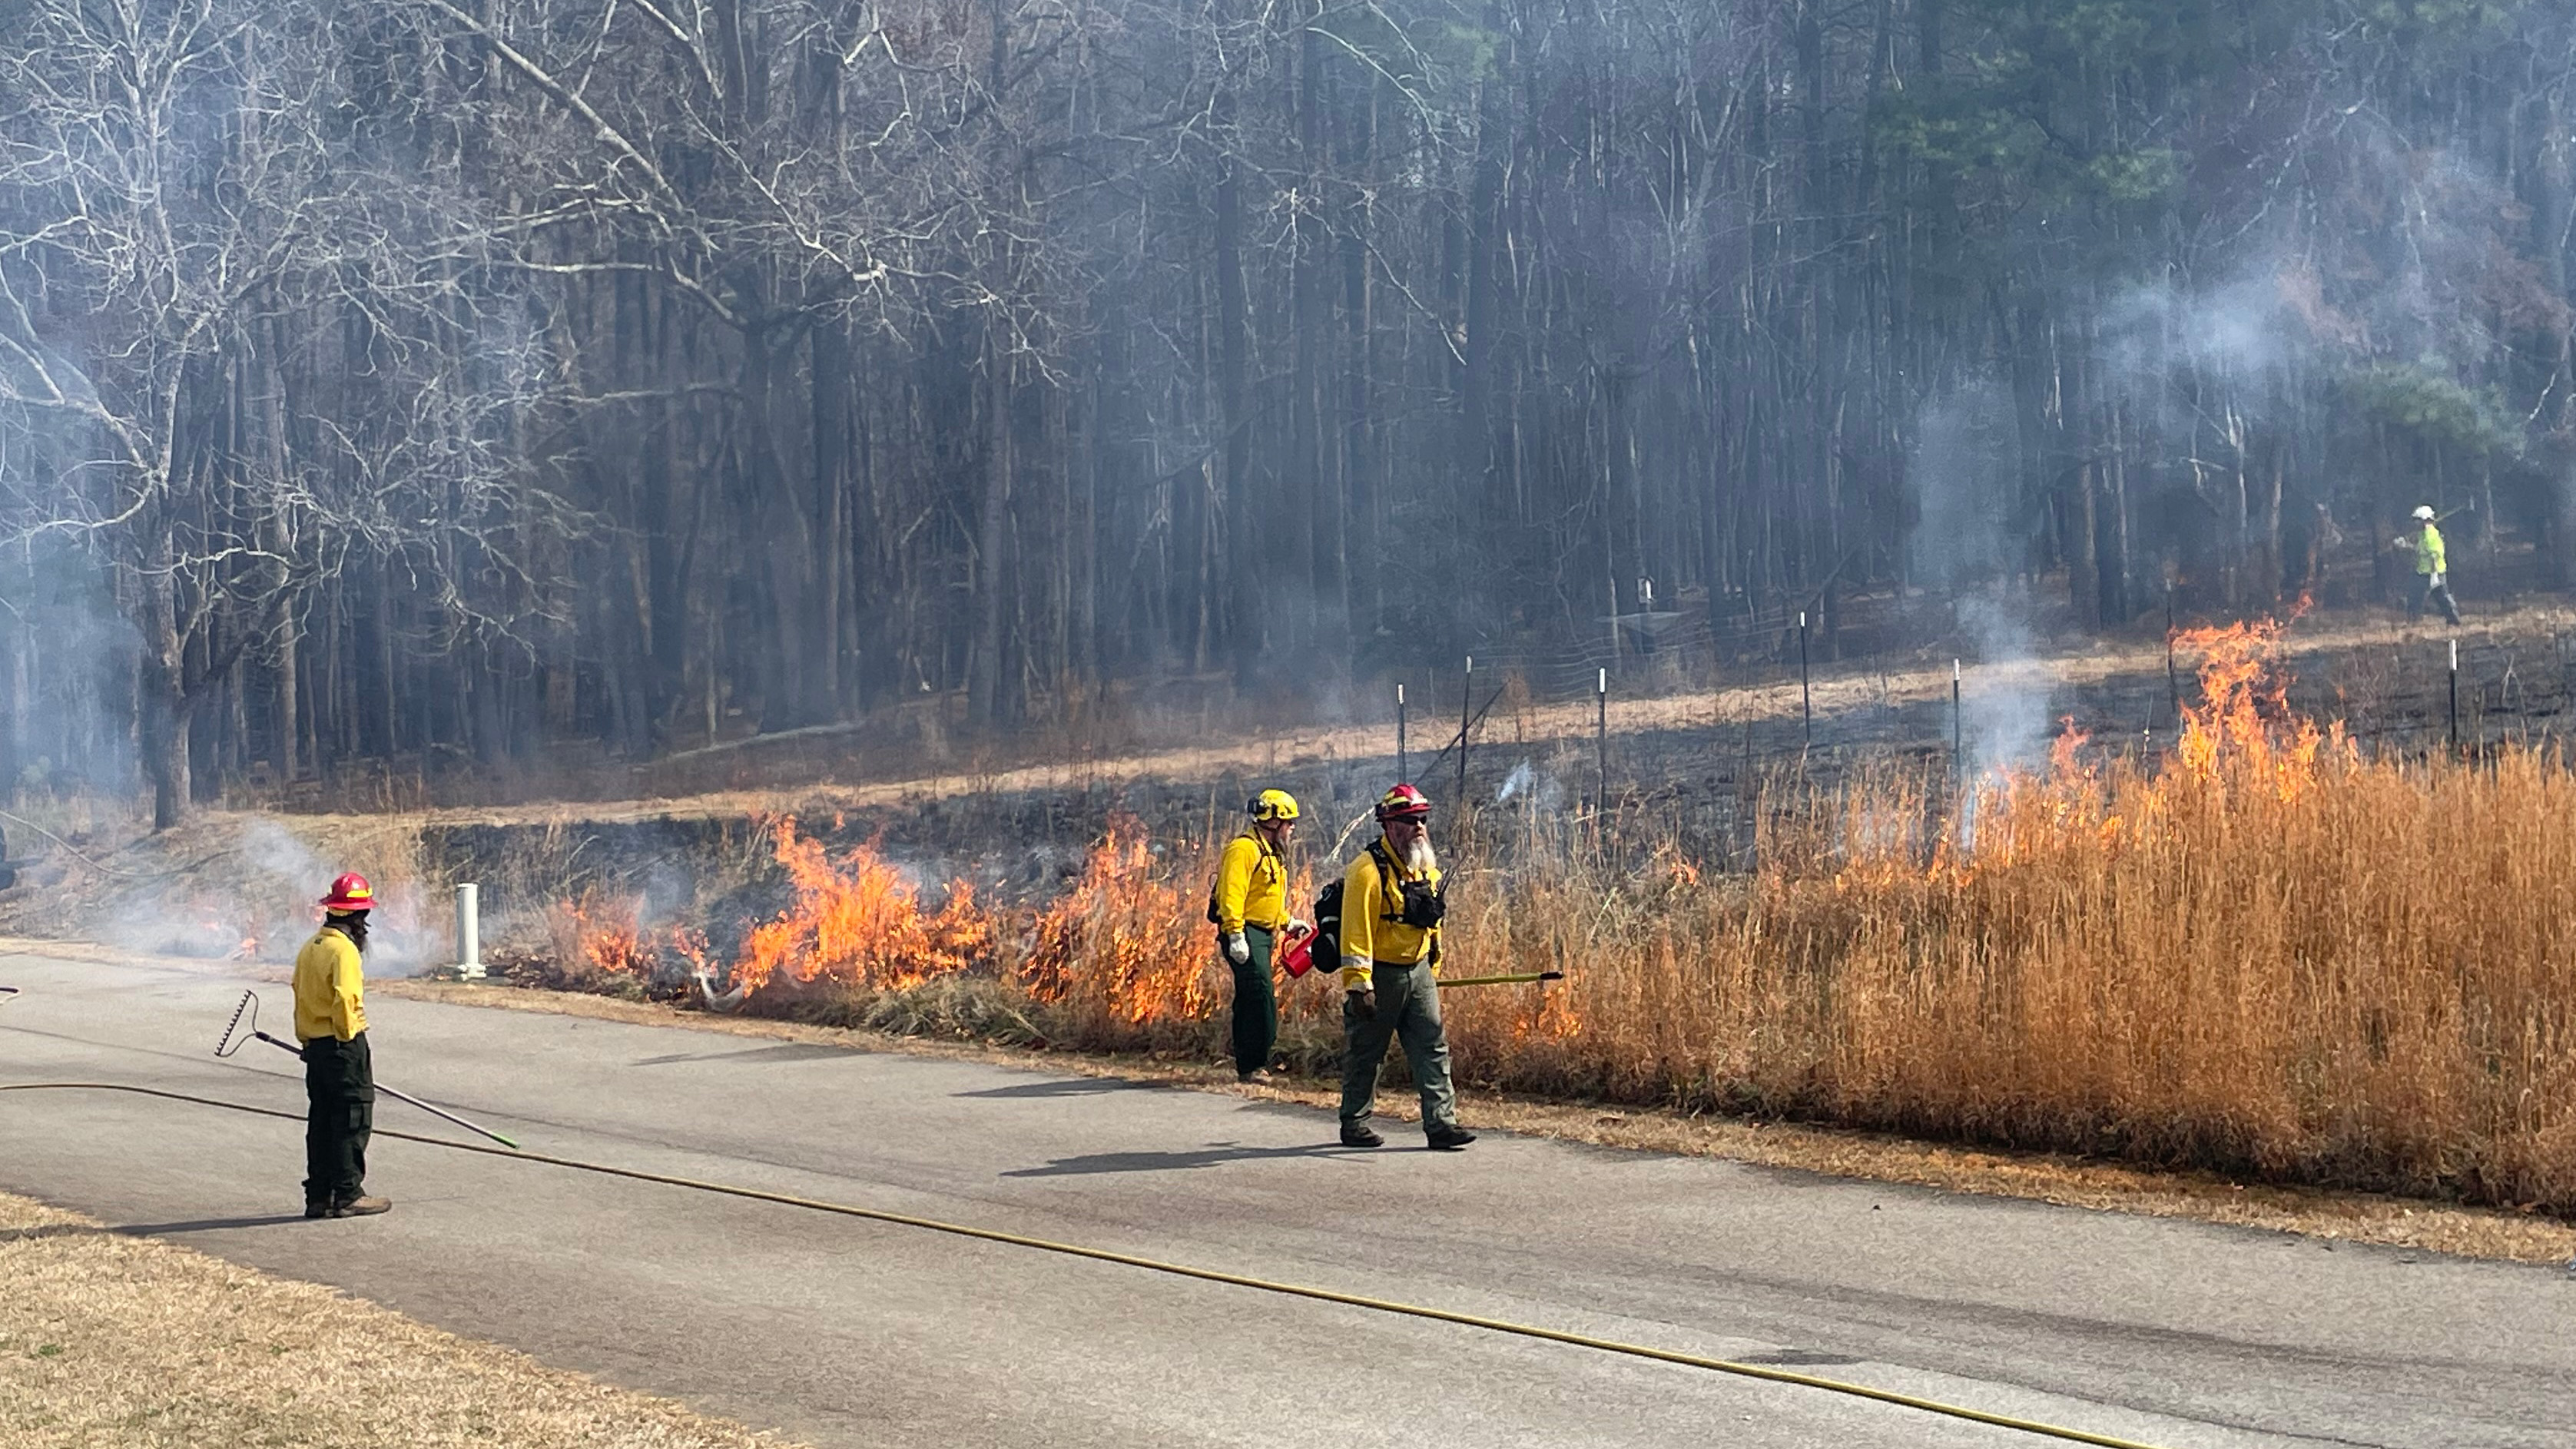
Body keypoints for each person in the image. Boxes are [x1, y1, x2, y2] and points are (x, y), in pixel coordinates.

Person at [1334, 783, 1474, 1151]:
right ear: (1389, 825)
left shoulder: (1424, 866)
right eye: (1410, 821)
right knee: (1367, 1052)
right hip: (1380, 977)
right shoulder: (1365, 871)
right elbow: (1355, 930)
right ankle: (1355, 1123)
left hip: (1418, 973)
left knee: (1432, 1048)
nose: (1419, 827)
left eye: (1423, 820)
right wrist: (1358, 984)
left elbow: (1432, 919)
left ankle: (1442, 1124)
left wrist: (1434, 962)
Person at [296, 873, 390, 1219]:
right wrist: (349, 1042)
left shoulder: (311, 947)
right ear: (356, 917)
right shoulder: (343, 950)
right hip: (342, 1044)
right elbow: (347, 1000)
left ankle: (319, 1196)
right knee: (352, 1117)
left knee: (321, 1120)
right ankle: (349, 1193)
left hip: (316, 1047)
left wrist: (308, 1039)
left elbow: (300, 996)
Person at [1212, 789, 1306, 1084]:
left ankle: (1252, 1063)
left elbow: (1267, 896)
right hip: (1245, 932)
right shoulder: (1244, 849)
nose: (1291, 829)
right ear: (1273, 821)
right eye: (1288, 823)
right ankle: (1254, 1064)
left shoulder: (1271, 852)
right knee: (1260, 994)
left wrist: (1287, 922)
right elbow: (1232, 894)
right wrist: (1235, 933)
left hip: (1263, 933)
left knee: (1253, 996)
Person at [2396, 505, 2462, 626]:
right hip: (2423, 572)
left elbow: (2434, 556)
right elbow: (2422, 550)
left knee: (2443, 598)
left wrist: (2434, 575)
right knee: (2416, 598)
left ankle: (2454, 621)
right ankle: (2413, 622)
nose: (2415, 523)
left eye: (2417, 520)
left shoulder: (2430, 535)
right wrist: (2406, 546)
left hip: (2433, 573)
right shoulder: (2423, 534)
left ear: (2424, 520)